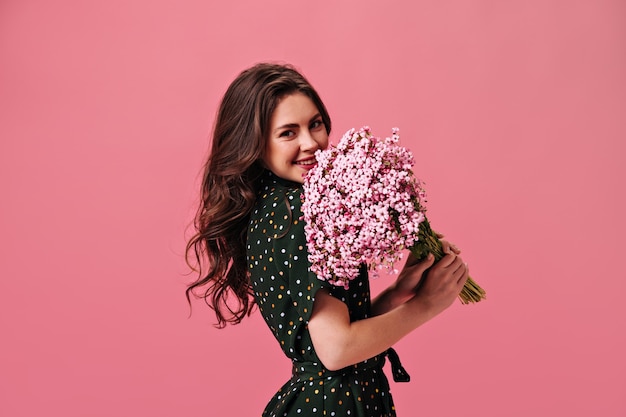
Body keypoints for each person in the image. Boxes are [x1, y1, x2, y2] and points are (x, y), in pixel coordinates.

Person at [186, 62, 469, 417]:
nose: (311, 144)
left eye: (315, 124)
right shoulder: (295, 212)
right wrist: (426, 304)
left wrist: (399, 292)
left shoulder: (278, 206)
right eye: (288, 133)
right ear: (255, 145)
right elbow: (335, 351)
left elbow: (337, 333)